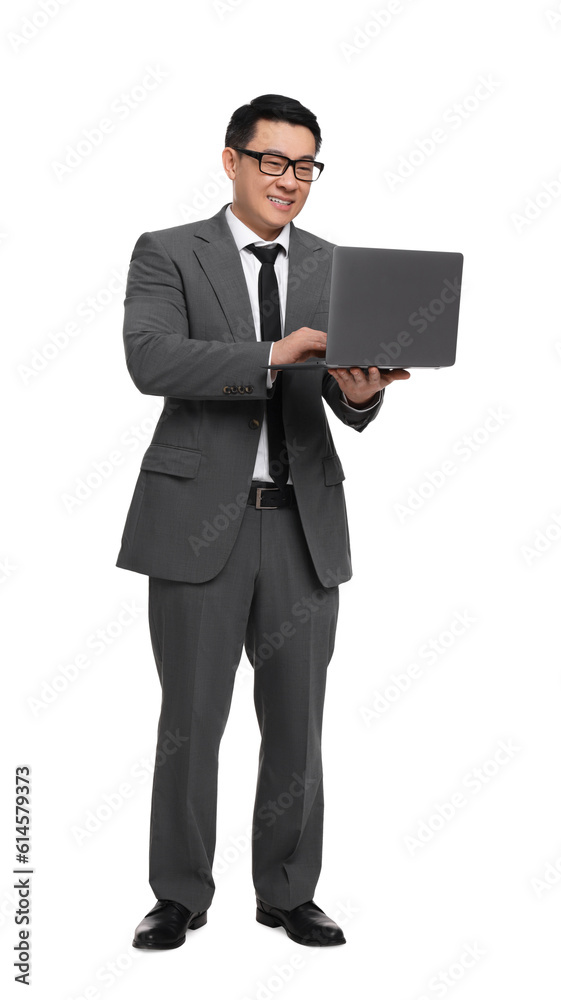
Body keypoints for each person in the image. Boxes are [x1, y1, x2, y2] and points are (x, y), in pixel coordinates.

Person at [115, 93, 410, 950]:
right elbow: (151, 357)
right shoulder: (169, 253)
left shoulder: (332, 264)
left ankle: (287, 891)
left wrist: (357, 398)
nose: (291, 180)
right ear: (231, 160)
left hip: (300, 525)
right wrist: (274, 354)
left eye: (306, 165)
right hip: (195, 523)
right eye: (274, 161)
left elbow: (338, 390)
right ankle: (178, 895)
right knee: (190, 721)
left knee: (297, 722)